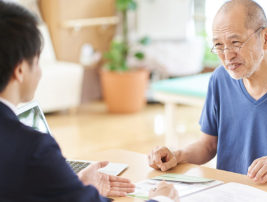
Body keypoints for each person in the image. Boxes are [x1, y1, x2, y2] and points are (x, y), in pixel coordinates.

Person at [0, 1, 178, 201]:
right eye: (37, 61)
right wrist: (163, 199)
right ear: (20, 70)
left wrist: (74, 188)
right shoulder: (34, 149)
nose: (40, 72)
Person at [148, 0, 267, 189]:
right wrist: (177, 155)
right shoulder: (220, 79)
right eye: (219, 45)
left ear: (266, 38)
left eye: (235, 43)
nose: (227, 56)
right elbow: (208, 145)